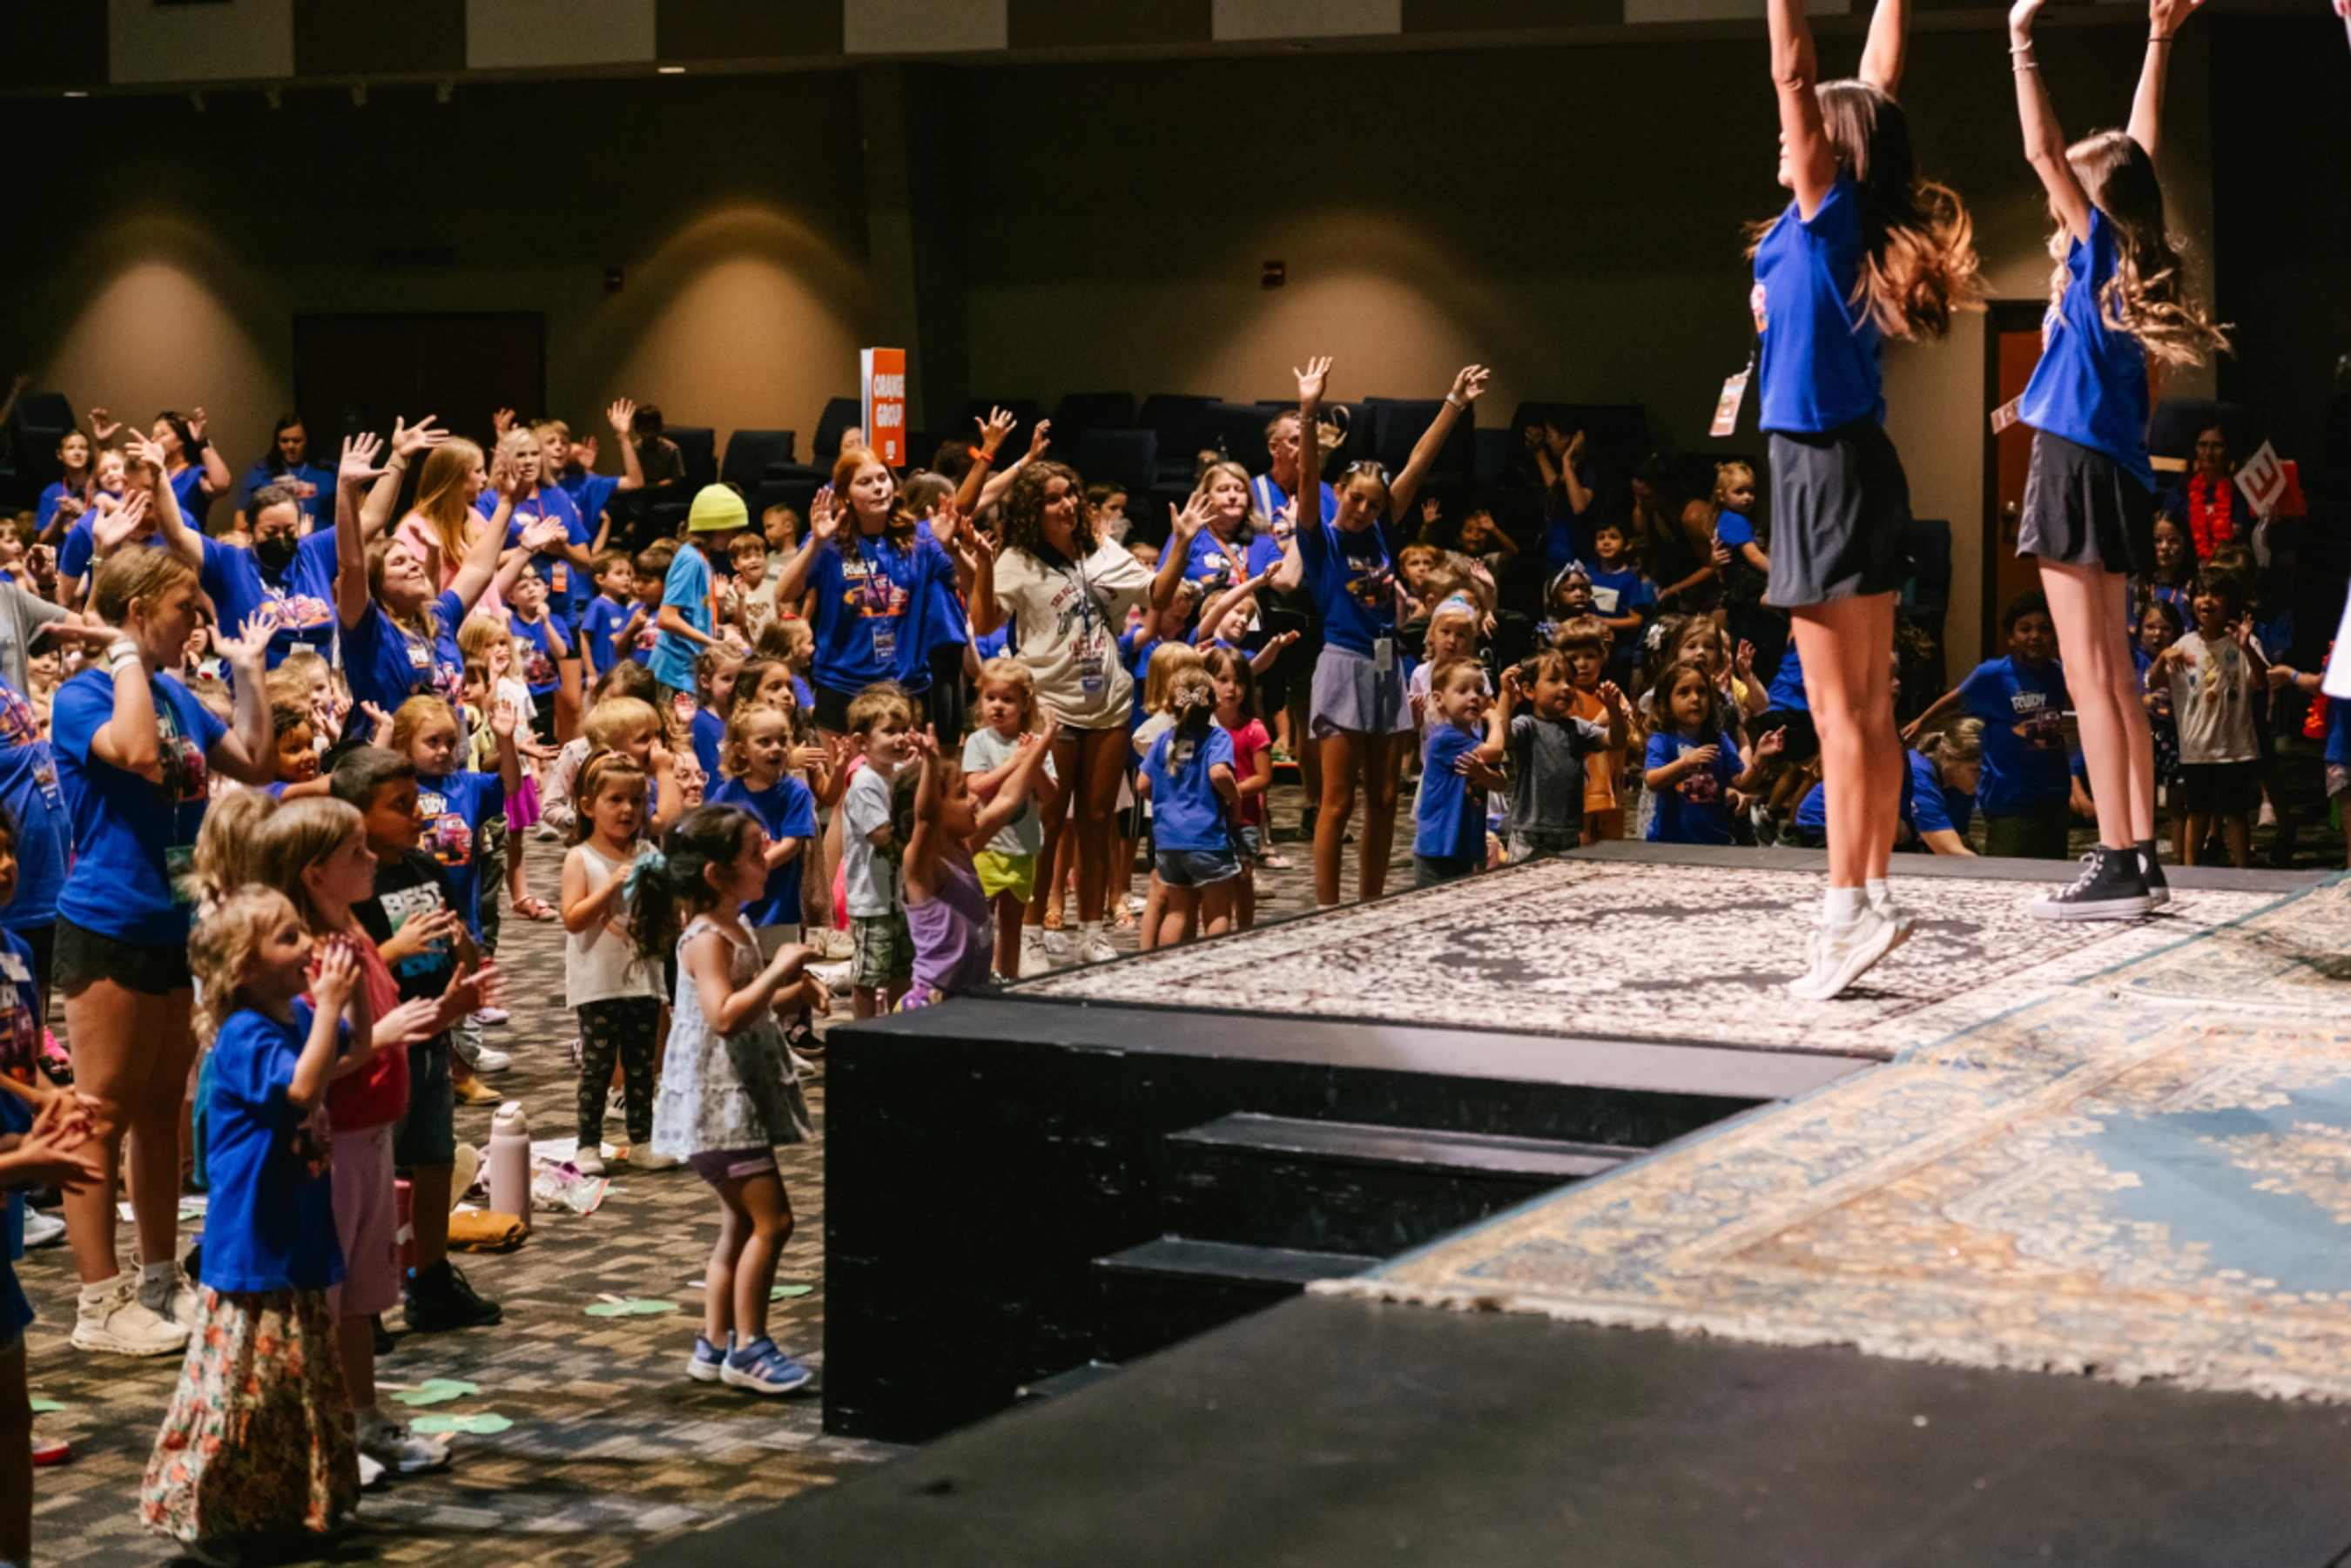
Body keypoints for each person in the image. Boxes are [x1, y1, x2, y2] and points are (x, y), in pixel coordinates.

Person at [1753, 0, 1980, 996]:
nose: (1784, 132)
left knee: (1840, 716)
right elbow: (1874, 82)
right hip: (1859, 466)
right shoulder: (1843, 210)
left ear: (1826, 149)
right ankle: (1873, 893)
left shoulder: (1825, 206)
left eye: (1801, 128)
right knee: (1871, 714)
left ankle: (1843, 910)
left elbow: (1797, 76)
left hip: (1822, 470)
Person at [2007, 0, 2226, 918]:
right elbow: (2137, 148)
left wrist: (2020, 42)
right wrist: (2159, 39)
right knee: (2115, 678)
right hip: (2123, 478)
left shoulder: (2099, 248)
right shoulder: (2138, 257)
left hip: (2074, 463)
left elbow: (2043, 151)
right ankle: (2142, 853)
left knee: (2086, 672)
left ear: (2092, 203)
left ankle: (2113, 855)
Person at [51, 554, 275, 1356]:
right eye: (186, 608)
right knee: (100, 1111)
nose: (199, 623)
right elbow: (142, 754)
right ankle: (97, 1300)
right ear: (141, 606)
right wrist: (121, 653)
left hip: (171, 921)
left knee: (156, 1113)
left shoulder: (178, 690)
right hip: (107, 919)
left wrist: (247, 674)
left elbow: (252, 762)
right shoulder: (83, 696)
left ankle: (153, 1277)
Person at [205, 791, 455, 1484]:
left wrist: (436, 1012)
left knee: (364, 1294)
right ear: (315, 873)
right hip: (334, 1143)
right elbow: (315, 1070)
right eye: (356, 853)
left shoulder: (351, 934)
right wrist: (386, 1034)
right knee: (331, 1293)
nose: (373, 859)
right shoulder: (307, 961)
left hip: (373, 1137)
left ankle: (363, 1419)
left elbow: (365, 1030)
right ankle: (336, 1432)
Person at [138, 894, 377, 1554]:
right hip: (254, 1241)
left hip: (296, 1233)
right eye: (287, 938)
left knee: (297, 1385)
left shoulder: (296, 1013)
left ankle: (288, 1507)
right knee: (246, 1390)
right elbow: (300, 1089)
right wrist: (329, 1006)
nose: (307, 946)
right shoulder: (245, 1033)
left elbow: (349, 1051)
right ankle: (213, 1510)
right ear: (245, 967)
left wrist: (348, 993)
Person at [967, 465, 1197, 965]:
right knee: (1047, 822)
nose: (1067, 504)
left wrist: (1180, 543)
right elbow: (985, 620)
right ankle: (1030, 934)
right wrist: (984, 567)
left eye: (1070, 493)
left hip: (1108, 700)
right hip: (1049, 704)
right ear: (1034, 510)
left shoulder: (1103, 551)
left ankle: (1091, 932)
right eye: (1053, 499)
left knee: (1097, 822)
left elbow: (1158, 595)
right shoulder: (1017, 560)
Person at [1288, 356, 1491, 910]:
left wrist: (1454, 403)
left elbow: (1419, 464)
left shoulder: (1379, 530)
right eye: (1355, 498)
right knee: (1338, 801)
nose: (1362, 509)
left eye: (1373, 504)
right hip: (1342, 664)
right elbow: (1307, 478)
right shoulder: (1320, 538)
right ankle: (1329, 909)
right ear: (1339, 492)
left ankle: (1371, 902)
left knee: (1382, 797)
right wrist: (1308, 410)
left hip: (1386, 666)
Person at [630, 804, 818, 1395]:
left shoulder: (730, 927)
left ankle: (714, 1341)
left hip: (730, 1103)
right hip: (720, 1109)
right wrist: (780, 970)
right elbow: (724, 1014)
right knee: (775, 1220)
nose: (767, 859)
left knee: (739, 1221)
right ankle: (750, 1347)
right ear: (717, 873)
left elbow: (746, 1005)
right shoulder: (707, 937)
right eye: (755, 852)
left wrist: (792, 992)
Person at [332, 747, 505, 1334]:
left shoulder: (427, 870)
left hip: (432, 1035)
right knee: (375, 1176)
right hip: (375, 1043)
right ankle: (361, 1299)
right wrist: (395, 950)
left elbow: (463, 942)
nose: (417, 815)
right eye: (399, 806)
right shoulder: (346, 885)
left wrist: (466, 959)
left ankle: (429, 1278)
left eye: (416, 802)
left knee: (433, 1159)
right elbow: (340, 969)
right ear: (356, 813)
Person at [340, 424, 556, 718]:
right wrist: (347, 490)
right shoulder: (372, 629)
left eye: (411, 559)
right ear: (377, 583)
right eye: (399, 562)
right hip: (394, 760)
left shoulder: (438, 617)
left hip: (450, 758)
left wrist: (507, 503)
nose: (415, 564)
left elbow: (479, 570)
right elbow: (352, 566)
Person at [775, 452, 965, 735]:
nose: (878, 487)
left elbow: (968, 582)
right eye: (865, 482)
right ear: (846, 495)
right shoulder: (829, 541)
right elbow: (784, 591)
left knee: (906, 779)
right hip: (843, 686)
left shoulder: (920, 537)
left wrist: (953, 548)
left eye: (882, 478)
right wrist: (816, 542)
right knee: (844, 777)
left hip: (905, 688)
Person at [895, 718, 1058, 1008]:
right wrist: (931, 765)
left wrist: (1043, 743)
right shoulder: (923, 866)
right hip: (933, 1000)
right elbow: (926, 818)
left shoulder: (965, 849)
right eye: (960, 794)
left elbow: (1008, 798)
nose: (973, 800)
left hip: (971, 993)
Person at [562, 751, 669, 1176]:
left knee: (643, 1064)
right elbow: (573, 918)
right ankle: (588, 1144)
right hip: (598, 981)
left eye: (636, 801)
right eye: (615, 800)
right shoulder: (580, 858)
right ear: (589, 807)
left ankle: (642, 1139)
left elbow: (661, 913)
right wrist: (610, 885)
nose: (627, 810)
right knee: (599, 1066)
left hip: (643, 978)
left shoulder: (648, 851)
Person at [1909, 590, 2078, 860]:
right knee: (2011, 876)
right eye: (2025, 629)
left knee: (2052, 876)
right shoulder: (1994, 673)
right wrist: (1921, 722)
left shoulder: (2059, 673)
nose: (2035, 636)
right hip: (2010, 800)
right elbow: (1954, 699)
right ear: (2011, 637)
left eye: (2044, 629)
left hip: (2054, 796)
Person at [2149, 573, 2264, 867]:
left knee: (2236, 814)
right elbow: (2153, 682)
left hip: (2235, 747)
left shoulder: (2243, 642)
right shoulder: (2183, 644)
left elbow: (2261, 681)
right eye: (2201, 594)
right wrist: (2163, 657)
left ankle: (2243, 872)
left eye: (2215, 594)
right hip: (2196, 747)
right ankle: (2190, 872)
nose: (2207, 600)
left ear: (2229, 603)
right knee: (2197, 812)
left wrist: (2246, 647)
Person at [960, 659, 1061, 979]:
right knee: (981, 922)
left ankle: (1009, 980)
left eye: (1008, 699)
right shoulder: (978, 741)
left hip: (1022, 848)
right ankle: (979, 977)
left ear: (1024, 703)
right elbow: (978, 786)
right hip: (986, 850)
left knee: (1014, 923)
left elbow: (1049, 794)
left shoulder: (1033, 743)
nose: (998, 707)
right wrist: (1017, 762)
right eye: (991, 698)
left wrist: (1035, 758)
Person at [1484, 649, 1628, 864]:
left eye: (1570, 681)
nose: (1565, 687)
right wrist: (1505, 694)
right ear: (1529, 691)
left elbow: (1615, 741)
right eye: (1554, 680)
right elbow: (1504, 738)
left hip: (1568, 831)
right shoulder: (1527, 726)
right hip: (1530, 832)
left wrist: (1613, 710)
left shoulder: (1577, 728)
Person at [1138, 666, 1241, 945]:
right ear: (1214, 702)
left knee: (1177, 911)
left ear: (1170, 704)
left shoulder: (1163, 740)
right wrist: (1236, 799)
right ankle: (1211, 967)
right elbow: (1219, 773)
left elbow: (1142, 785)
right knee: (1217, 910)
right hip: (1207, 840)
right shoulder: (1217, 738)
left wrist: (1167, 801)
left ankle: (1166, 969)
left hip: (1168, 841)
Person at [1792, 719, 1984, 856]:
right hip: (1823, 823)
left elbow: (1959, 842)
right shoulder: (1921, 773)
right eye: (1976, 771)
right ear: (1949, 758)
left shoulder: (1961, 786)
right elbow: (1948, 849)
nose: (1983, 779)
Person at [840, 684, 918, 1015]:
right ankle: (864, 1031)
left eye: (904, 730)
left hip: (900, 900)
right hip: (872, 900)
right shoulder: (866, 782)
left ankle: (897, 1028)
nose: (900, 738)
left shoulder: (900, 775)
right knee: (870, 976)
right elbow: (882, 834)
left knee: (903, 969)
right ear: (862, 742)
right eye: (889, 732)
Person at [1647, 659, 1782, 846]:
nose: (1695, 698)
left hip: (1714, 841)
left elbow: (1742, 782)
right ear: (1666, 701)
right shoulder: (1663, 740)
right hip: (1670, 841)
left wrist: (1759, 757)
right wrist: (1685, 764)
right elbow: (1652, 780)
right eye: (1684, 692)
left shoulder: (1719, 740)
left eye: (1702, 692)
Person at [1412, 659, 1505, 888]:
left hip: (1463, 845)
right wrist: (1495, 720)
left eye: (1479, 691)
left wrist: (1482, 774)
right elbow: (1495, 751)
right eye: (1463, 690)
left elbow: (1501, 785)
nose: (1474, 696)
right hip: (1438, 847)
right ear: (1438, 699)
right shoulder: (1445, 737)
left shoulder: (1472, 740)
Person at [1203, 647, 1273, 930]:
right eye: (1223, 679)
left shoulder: (1254, 729)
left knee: (1243, 878)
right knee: (1212, 880)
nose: (1232, 688)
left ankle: (1245, 931)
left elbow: (1263, 777)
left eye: (1239, 681)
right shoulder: (1201, 728)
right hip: (1209, 816)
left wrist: (1232, 792)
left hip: (1244, 817)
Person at [232, 415, 334, 534]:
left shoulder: (329, 471)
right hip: (275, 546)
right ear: (277, 443)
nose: (290, 446)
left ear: (307, 441)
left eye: (297, 441)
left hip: (320, 545)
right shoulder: (260, 472)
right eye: (284, 441)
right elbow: (240, 518)